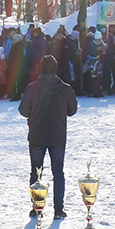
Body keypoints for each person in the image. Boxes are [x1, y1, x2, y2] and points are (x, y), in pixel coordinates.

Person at [18, 55, 77, 218]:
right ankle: (58, 209)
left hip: (37, 135)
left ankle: (37, 208)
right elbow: (72, 110)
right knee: (58, 172)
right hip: (57, 135)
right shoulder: (65, 88)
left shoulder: (32, 88)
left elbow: (23, 111)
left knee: (36, 173)